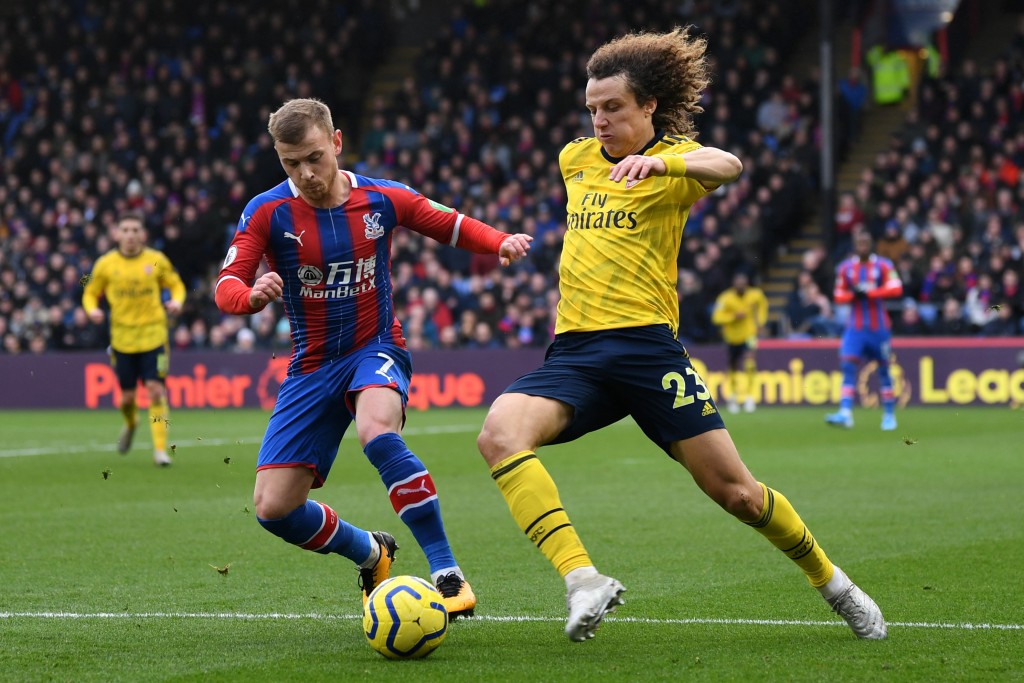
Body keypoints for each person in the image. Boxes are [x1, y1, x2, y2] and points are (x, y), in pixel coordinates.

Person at [476, 27, 887, 644]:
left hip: (647, 350)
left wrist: (661, 159)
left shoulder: (678, 165)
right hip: (577, 352)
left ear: (648, 106)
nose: (599, 121)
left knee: (740, 496)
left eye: (613, 108)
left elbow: (731, 163)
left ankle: (835, 585)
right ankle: (582, 579)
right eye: (592, 108)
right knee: (498, 435)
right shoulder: (574, 159)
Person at [214, 98, 532, 617]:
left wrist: (499, 242)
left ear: (336, 142)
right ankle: (371, 551)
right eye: (291, 163)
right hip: (311, 365)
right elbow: (227, 281)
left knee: (377, 432)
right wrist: (248, 298)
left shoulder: (381, 198)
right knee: (274, 509)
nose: (306, 173)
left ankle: (446, 570)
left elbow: (444, 222)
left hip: (375, 346)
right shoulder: (267, 211)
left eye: (314, 157)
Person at [82, 212, 185, 467]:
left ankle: (160, 450)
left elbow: (177, 285)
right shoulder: (105, 264)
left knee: (156, 391)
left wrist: (177, 302)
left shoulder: (156, 260)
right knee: (127, 398)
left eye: (135, 230)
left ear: (143, 234)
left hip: (154, 337)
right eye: (125, 230)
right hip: (122, 340)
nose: (130, 235)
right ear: (116, 234)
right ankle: (131, 423)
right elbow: (89, 290)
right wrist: (91, 309)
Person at [825, 230, 904, 430]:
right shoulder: (845, 268)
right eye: (859, 243)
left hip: (879, 328)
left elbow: (896, 288)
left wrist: (870, 291)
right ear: (854, 245)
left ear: (871, 244)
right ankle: (845, 413)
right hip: (855, 329)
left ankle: (889, 415)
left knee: (884, 369)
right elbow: (838, 295)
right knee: (847, 367)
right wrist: (854, 295)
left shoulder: (884, 265)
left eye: (865, 243)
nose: (862, 246)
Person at [711, 271, 768, 413]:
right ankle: (733, 397)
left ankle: (750, 397)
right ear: (734, 285)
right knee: (733, 367)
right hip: (732, 337)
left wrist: (760, 323)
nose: (741, 286)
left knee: (750, 362)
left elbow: (763, 307)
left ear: (747, 284)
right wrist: (733, 317)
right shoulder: (725, 298)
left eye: (743, 283)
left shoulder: (756, 295)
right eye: (738, 284)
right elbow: (716, 317)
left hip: (749, 335)